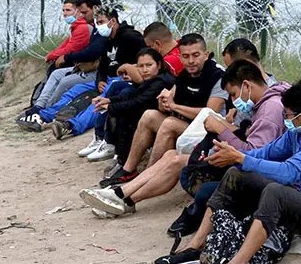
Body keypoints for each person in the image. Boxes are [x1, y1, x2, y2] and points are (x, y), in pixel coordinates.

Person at [154, 80, 301, 264]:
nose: (285, 120)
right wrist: (233, 156)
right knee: (237, 174)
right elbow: (265, 153)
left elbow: (291, 172)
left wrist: (242, 158)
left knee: (276, 192)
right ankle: (195, 248)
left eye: (287, 115)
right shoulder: (299, 131)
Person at [80, 59, 288, 219]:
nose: (234, 101)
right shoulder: (268, 103)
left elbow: (253, 155)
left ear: (247, 85)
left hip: (248, 171)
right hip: (239, 161)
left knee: (177, 160)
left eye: (234, 94)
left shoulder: (270, 109)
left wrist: (222, 130)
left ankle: (123, 198)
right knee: (172, 154)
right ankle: (121, 195)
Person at [99, 33, 227, 185]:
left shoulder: (218, 77)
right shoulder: (184, 75)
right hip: (187, 126)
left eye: (195, 55)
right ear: (180, 57)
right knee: (150, 115)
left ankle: (146, 177)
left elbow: (209, 114)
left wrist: (175, 107)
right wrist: (164, 103)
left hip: (209, 133)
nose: (191, 61)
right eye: (185, 56)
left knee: (169, 124)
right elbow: (168, 99)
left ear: (206, 55)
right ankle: (128, 169)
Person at [75, 21, 184, 160]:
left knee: (126, 97)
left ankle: (118, 149)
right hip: (154, 93)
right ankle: (104, 138)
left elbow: (144, 80)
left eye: (150, 47)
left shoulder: (171, 60)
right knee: (116, 87)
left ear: (157, 44)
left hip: (160, 101)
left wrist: (128, 67)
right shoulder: (178, 47)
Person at [49, 8, 145, 141]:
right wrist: (100, 80)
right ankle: (46, 115)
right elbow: (103, 66)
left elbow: (145, 59)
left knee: (102, 97)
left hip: (123, 80)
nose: (99, 26)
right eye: (97, 23)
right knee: (75, 89)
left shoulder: (130, 37)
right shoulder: (107, 40)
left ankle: (70, 126)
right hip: (108, 79)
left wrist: (134, 71)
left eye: (101, 22)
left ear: (112, 21)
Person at [17, 0, 105, 128]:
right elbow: (68, 45)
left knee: (64, 81)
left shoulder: (88, 28)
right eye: (63, 10)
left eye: (83, 12)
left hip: (95, 71)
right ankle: (39, 106)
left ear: (95, 9)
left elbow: (81, 50)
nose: (82, 15)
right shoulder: (90, 28)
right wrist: (55, 55)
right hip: (90, 68)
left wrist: (64, 57)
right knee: (56, 74)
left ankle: (45, 112)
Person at [82, 48, 175, 165]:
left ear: (159, 65)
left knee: (127, 112)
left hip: (165, 121)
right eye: (141, 66)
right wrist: (109, 100)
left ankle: (123, 158)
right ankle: (116, 151)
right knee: (125, 96)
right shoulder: (153, 79)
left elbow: (139, 102)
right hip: (154, 116)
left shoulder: (162, 81)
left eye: (149, 65)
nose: (145, 70)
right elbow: (137, 94)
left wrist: (110, 107)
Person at [45, 0, 91, 67]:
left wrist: (51, 56)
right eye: (63, 10)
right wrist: (52, 54)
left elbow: (71, 49)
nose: (65, 14)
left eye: (68, 10)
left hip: (79, 64)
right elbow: (65, 44)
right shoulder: (76, 26)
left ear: (77, 11)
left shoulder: (82, 28)